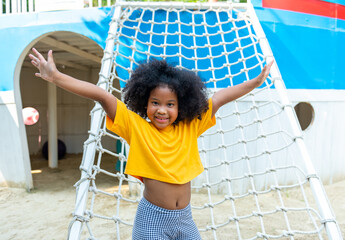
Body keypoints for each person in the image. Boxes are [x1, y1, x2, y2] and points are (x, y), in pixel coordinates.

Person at [29, 48, 273, 239]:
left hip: (185, 218)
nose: (162, 110)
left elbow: (219, 98)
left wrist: (254, 83)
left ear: (181, 106)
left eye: (170, 104)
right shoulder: (136, 126)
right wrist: (56, 77)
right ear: (144, 102)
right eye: (155, 102)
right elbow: (102, 95)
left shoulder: (190, 127)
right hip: (152, 220)